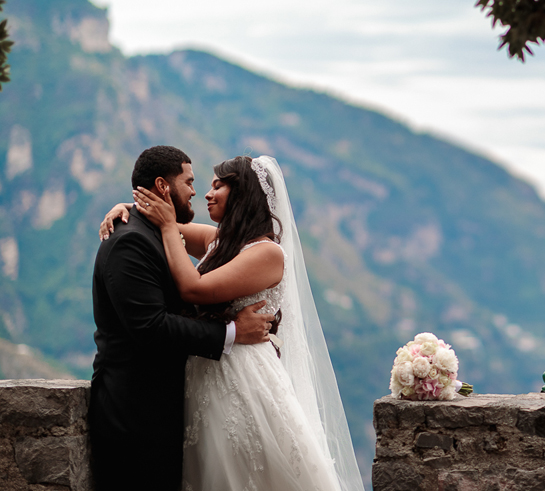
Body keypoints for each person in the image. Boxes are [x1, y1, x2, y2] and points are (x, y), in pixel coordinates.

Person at [101, 154, 364, 491]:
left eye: (217, 186)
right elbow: (158, 220)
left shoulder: (267, 253)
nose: (207, 194)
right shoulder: (219, 243)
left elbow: (192, 287)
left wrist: (167, 226)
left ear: (243, 194)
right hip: (206, 373)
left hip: (242, 376)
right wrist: (127, 206)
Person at [90, 146, 276, 491]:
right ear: (163, 187)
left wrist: (138, 209)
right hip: (135, 411)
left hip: (224, 386)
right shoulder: (134, 241)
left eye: (217, 185)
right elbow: (152, 326)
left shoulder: (254, 249)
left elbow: (187, 277)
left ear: (243, 194)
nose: (199, 191)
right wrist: (233, 331)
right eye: (191, 182)